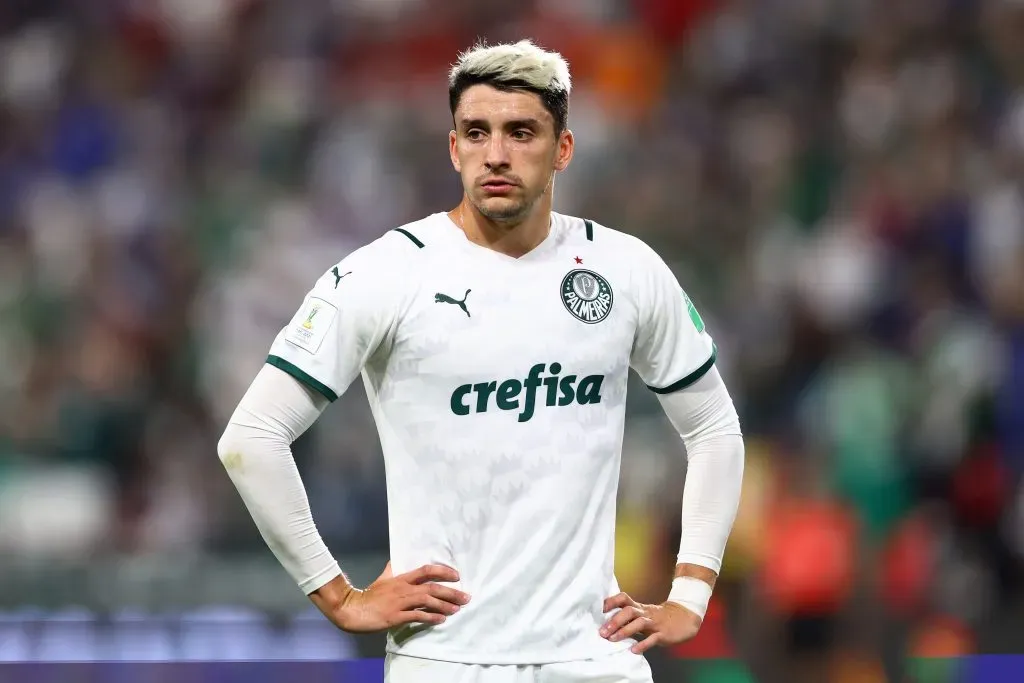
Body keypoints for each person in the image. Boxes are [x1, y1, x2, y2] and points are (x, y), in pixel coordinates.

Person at [217, 39, 745, 682]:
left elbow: (714, 428)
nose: (496, 154)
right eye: (477, 132)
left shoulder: (625, 269)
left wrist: (690, 592)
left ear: (563, 150)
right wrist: (339, 596)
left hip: (595, 659)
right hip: (444, 661)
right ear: (453, 148)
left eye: (521, 132)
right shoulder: (386, 273)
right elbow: (250, 438)